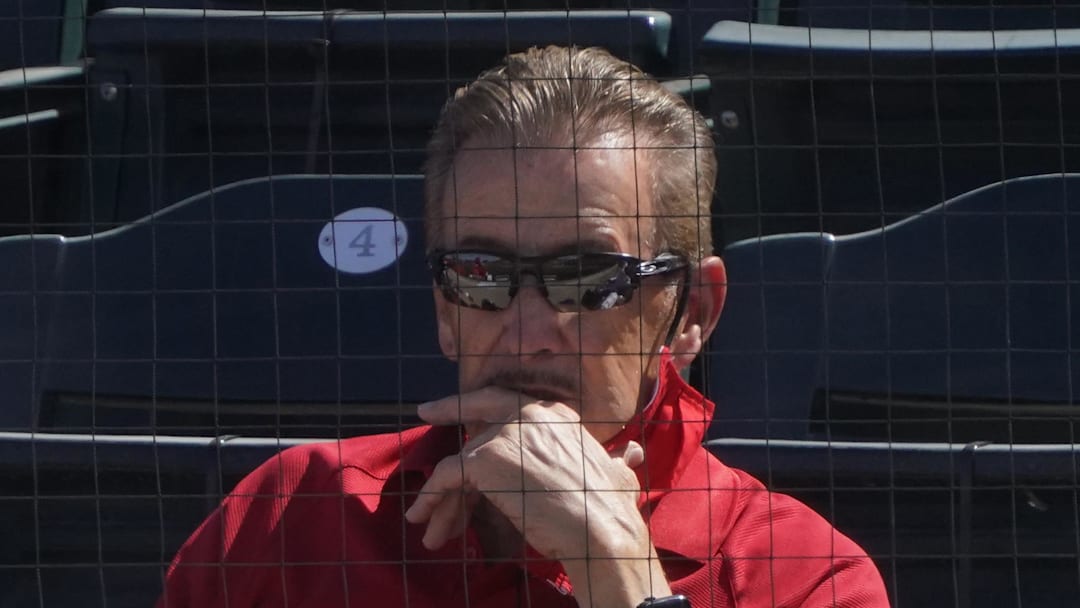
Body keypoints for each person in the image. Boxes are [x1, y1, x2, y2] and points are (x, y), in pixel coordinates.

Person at [157, 46, 889, 608]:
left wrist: (622, 573)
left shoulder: (801, 573)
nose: (527, 328)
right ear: (445, 310)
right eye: (481, 276)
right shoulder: (294, 515)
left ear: (690, 311)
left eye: (588, 278)